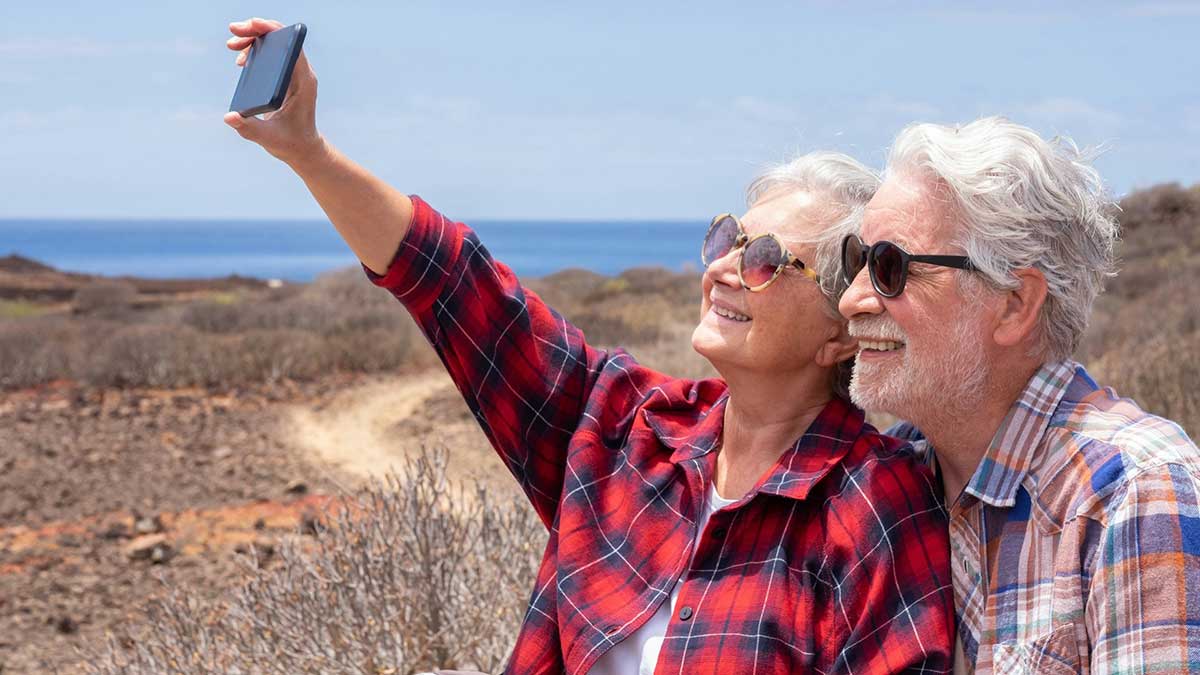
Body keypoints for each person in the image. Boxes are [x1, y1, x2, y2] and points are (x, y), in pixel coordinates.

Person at [224, 18, 954, 673]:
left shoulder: (871, 501)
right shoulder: (625, 432)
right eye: (730, 238)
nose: (725, 267)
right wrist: (309, 152)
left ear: (838, 329)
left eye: (767, 257)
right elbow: (458, 286)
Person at [838, 116, 1200, 674]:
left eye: (890, 268)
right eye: (854, 261)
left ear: (1014, 303)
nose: (852, 300)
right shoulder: (894, 476)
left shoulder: (1135, 494)